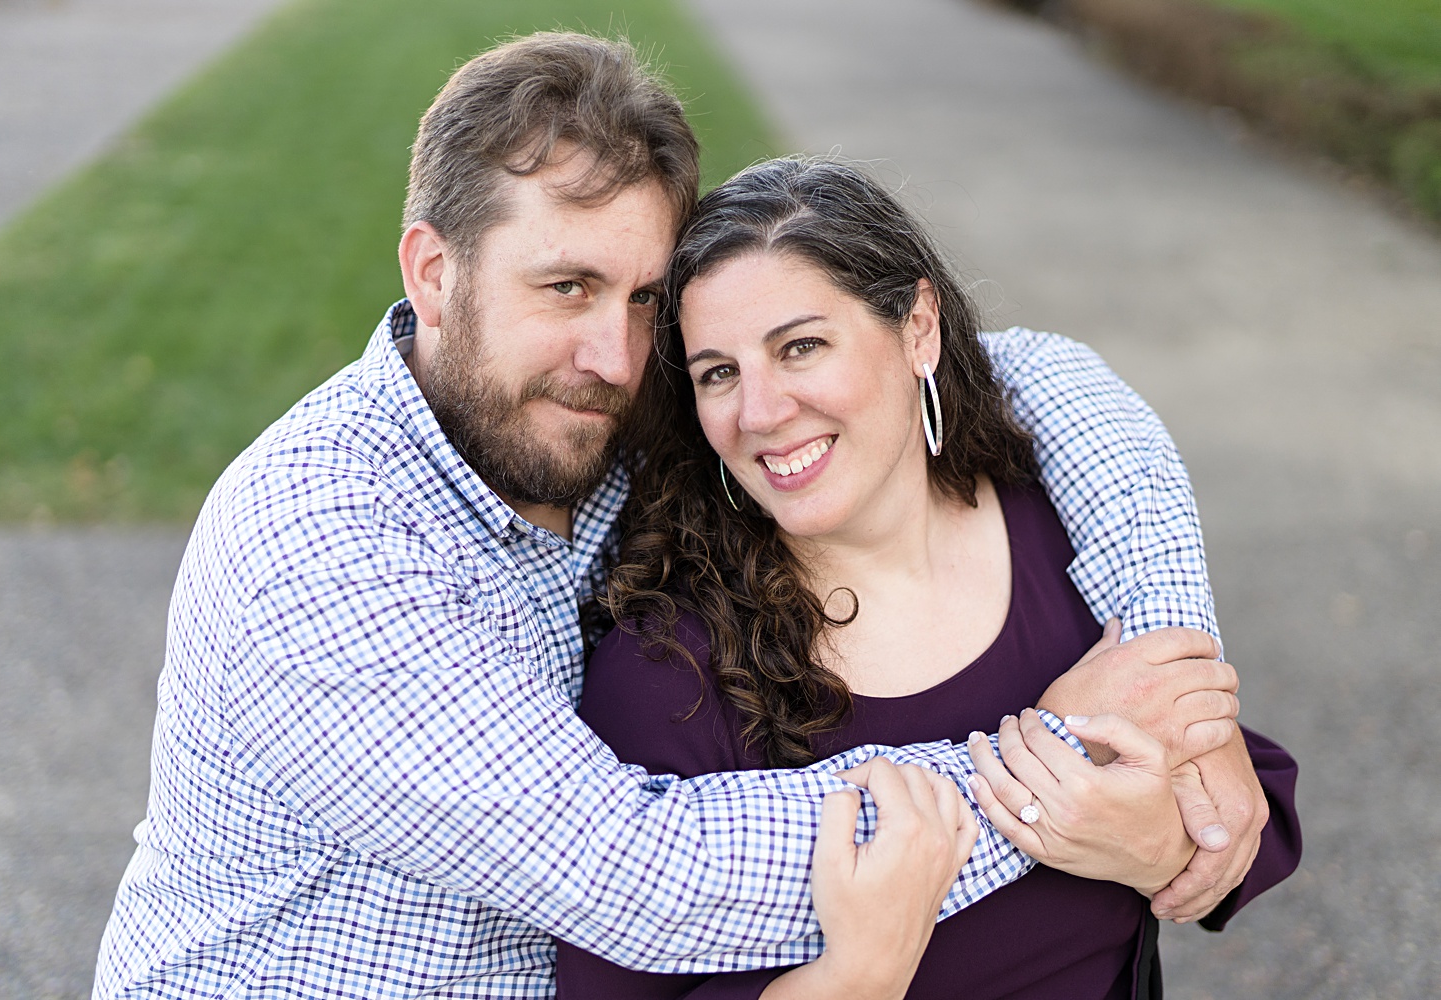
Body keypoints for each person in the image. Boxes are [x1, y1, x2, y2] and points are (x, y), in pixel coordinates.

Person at [93, 33, 1266, 1000]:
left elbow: (1034, 375)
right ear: (434, 273)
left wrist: (1173, 664)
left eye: (646, 296)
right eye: (566, 287)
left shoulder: (594, 413)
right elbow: (643, 871)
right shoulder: (321, 541)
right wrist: (1077, 760)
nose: (613, 355)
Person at [552, 157, 1300, 999]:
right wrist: (853, 973)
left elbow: (1252, 818)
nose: (758, 413)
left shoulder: (1057, 528)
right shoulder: (669, 670)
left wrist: (1159, 845)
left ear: (918, 329)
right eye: (718, 372)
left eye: (801, 346)